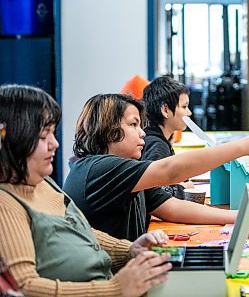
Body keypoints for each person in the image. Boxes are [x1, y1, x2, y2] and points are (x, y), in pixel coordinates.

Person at [0, 85, 172, 297]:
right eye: (44, 135)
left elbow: (78, 232)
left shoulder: (44, 184)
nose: (54, 144)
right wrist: (114, 290)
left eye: (53, 133)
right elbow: (24, 288)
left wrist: (129, 250)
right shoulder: (5, 204)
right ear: (14, 139)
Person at [63, 93, 249, 241]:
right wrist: (244, 146)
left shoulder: (125, 172)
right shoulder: (100, 170)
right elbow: (170, 171)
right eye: (133, 124)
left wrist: (245, 216)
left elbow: (171, 208)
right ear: (108, 130)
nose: (142, 133)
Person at [142, 76, 193, 200]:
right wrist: (183, 189)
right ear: (165, 110)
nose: (189, 113)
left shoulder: (154, 137)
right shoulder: (156, 144)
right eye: (184, 107)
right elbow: (155, 192)